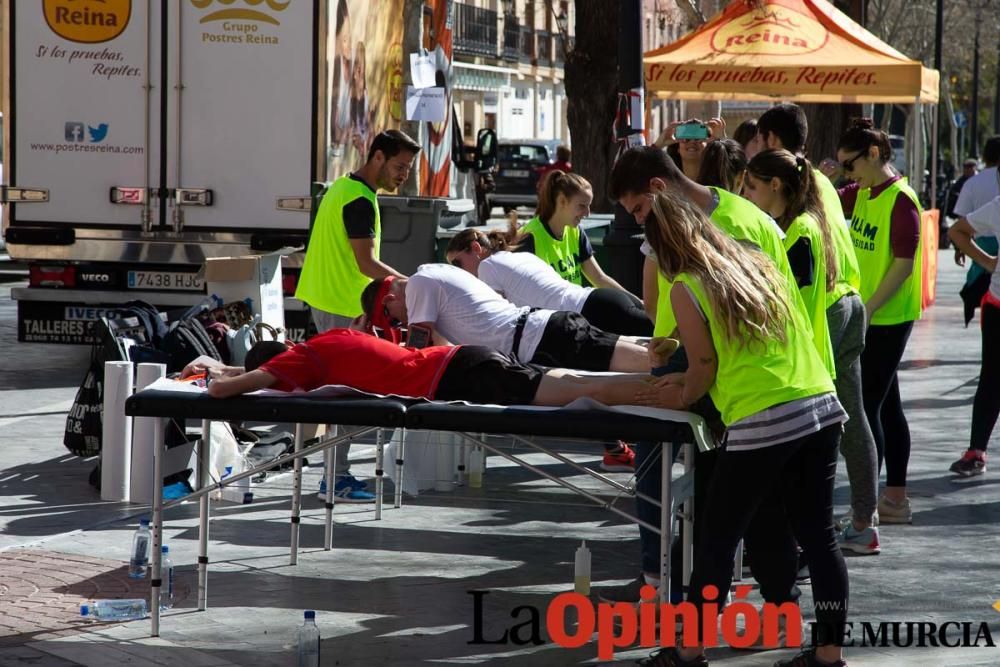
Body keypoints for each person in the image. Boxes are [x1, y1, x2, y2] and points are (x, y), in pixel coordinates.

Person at [638, 190, 849, 667]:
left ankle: (689, 650)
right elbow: (744, 345)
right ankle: (829, 655)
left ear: (665, 248)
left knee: (716, 539)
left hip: (761, 417)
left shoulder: (686, 286)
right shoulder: (755, 261)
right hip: (817, 402)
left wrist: (678, 392)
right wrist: (688, 375)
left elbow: (706, 366)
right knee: (819, 538)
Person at [752, 103, 879, 551]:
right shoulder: (820, 179)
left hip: (825, 310)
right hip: (850, 300)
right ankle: (864, 519)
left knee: (810, 429)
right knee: (852, 415)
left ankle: (807, 535)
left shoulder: (797, 210)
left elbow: (801, 270)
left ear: (770, 141)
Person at [295, 129, 421, 503]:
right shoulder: (360, 200)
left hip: (328, 300)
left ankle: (335, 474)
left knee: (339, 395)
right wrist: (412, 285)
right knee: (345, 396)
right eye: (399, 166)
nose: (403, 175)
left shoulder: (340, 188)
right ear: (377, 157)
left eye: (408, 169)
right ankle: (335, 479)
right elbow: (365, 262)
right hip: (342, 307)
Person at [189, 329, 679, 410]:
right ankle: (664, 381)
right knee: (570, 384)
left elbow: (221, 396)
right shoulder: (323, 341)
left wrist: (212, 376)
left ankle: (672, 388)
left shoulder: (295, 362)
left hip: (456, 377)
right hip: (462, 359)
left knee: (571, 391)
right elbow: (256, 370)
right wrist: (223, 362)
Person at [833, 117, 923, 525]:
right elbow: (834, 198)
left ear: (873, 155)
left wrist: (867, 312)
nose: (848, 174)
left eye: (850, 165)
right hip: (869, 316)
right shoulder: (865, 192)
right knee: (887, 406)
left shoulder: (901, 200)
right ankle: (895, 499)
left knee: (866, 410)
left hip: (887, 318)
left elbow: (903, 266)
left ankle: (863, 513)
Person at [360, 266, 656, 374]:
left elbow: (417, 351)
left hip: (539, 337)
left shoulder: (419, 285)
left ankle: (686, 363)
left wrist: (363, 347)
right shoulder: (432, 274)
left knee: (641, 362)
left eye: (394, 321)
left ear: (389, 302)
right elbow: (443, 348)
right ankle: (682, 356)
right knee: (638, 351)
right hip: (542, 330)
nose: (400, 324)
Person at [445, 228, 652, 336]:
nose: (457, 271)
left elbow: (494, 318)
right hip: (603, 302)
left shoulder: (487, 267)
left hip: (594, 311)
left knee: (677, 337)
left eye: (457, 263)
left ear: (475, 248)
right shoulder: (517, 257)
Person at [947, 176, 1000, 477]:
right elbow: (957, 231)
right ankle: (976, 451)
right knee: (991, 380)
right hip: (997, 305)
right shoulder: (997, 207)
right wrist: (989, 262)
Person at [518, 170, 634, 295]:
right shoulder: (529, 236)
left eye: (589, 206)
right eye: (582, 206)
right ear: (562, 201)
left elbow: (599, 278)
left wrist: (637, 304)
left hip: (572, 313)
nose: (587, 213)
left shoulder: (576, 232)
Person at [952, 137, 1000, 324]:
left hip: (979, 245)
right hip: (994, 246)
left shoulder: (973, 182)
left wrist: (960, 249)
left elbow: (961, 219)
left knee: (981, 291)